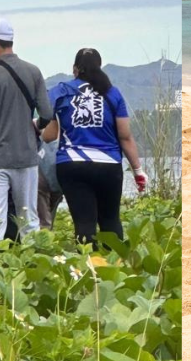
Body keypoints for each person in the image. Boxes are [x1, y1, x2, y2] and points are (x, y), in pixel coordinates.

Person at [41, 48, 147, 244]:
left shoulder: (61, 91)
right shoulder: (112, 93)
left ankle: (88, 270)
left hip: (72, 165)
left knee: (84, 224)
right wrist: (138, 170)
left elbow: (49, 135)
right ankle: (114, 267)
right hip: (108, 166)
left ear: (75, 69)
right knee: (110, 220)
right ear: (99, 67)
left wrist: (35, 129)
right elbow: (125, 136)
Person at [0, 16, 52, 241]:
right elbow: (46, 114)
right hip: (26, 157)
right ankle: (32, 266)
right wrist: (36, 126)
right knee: (28, 220)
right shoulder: (33, 71)